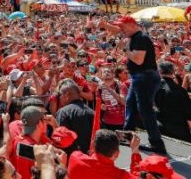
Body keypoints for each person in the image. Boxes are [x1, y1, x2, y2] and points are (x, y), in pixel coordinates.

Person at [110, 15, 167, 154]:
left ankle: (156, 143)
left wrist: (124, 49)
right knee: (131, 104)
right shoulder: (135, 37)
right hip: (140, 77)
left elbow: (139, 60)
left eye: (123, 26)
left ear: (131, 24)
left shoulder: (140, 38)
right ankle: (127, 135)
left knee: (145, 109)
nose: (121, 29)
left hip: (145, 77)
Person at [67, 129, 141, 179]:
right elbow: (138, 176)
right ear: (117, 154)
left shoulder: (75, 158)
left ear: (93, 145)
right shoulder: (121, 176)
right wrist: (135, 151)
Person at [54, 79, 94, 154]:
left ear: (67, 95)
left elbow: (60, 139)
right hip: (91, 158)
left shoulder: (63, 112)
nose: (59, 98)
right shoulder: (92, 112)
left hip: (71, 159)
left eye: (60, 95)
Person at [154, 60, 191, 141]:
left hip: (157, 129)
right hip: (179, 132)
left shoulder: (151, 87)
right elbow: (188, 115)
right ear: (173, 72)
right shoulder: (181, 91)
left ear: (159, 71)